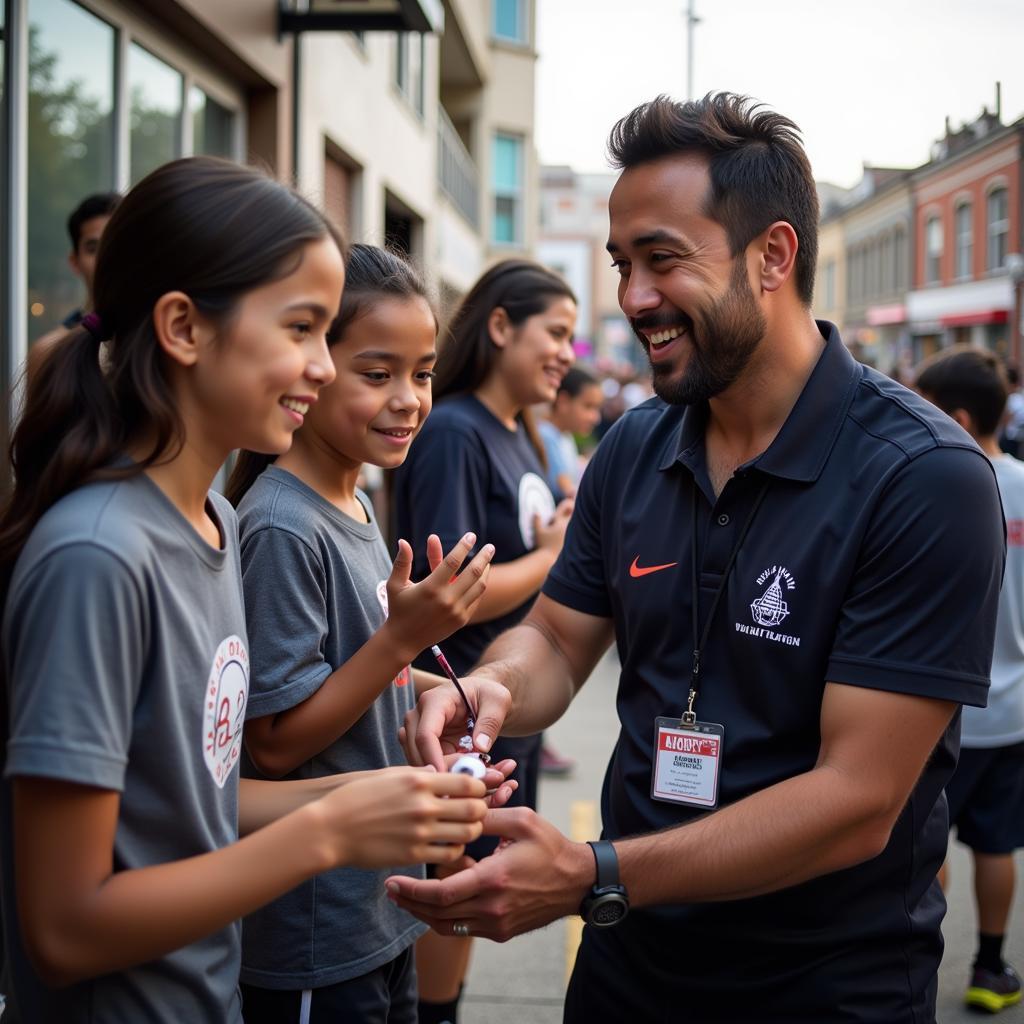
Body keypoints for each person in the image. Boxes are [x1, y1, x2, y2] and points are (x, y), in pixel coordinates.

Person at [386, 93, 1007, 1022]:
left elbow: (857, 799)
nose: (633, 298)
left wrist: (594, 872)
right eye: (621, 264)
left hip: (825, 985)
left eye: (662, 260)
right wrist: (490, 690)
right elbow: (556, 638)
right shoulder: (634, 449)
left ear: (774, 255)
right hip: (626, 970)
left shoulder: (925, 478)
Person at [0, 157, 491, 1023]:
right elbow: (64, 928)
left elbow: (201, 796)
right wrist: (331, 830)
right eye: (302, 328)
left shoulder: (215, 523)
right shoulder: (98, 557)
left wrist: (398, 801)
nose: (321, 366)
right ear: (184, 328)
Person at [224, 243, 512, 1023]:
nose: (409, 400)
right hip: (312, 924)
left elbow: (347, 671)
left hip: (379, 907)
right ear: (311, 370)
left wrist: (448, 688)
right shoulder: (283, 525)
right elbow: (275, 743)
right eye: (377, 374)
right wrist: (401, 640)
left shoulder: (352, 502)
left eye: (421, 374)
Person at [391, 260, 576, 1024]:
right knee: (450, 887)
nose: (568, 352)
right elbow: (449, 593)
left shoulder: (519, 433)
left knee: (472, 891)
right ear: (500, 326)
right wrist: (550, 557)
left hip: (501, 702)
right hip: (455, 700)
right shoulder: (457, 430)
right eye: (555, 333)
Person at [916, 346, 1024, 1014]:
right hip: (1012, 710)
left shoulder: (937, 484)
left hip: (939, 708)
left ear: (957, 417)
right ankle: (991, 965)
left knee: (925, 843)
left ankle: (916, 956)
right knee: (997, 842)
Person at [27, 192, 120, 379]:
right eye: (93, 248)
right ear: (74, 261)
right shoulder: (50, 352)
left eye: (116, 244)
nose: (105, 257)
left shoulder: (162, 339)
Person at [537, 364, 603, 503]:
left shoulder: (564, 436)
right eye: (588, 406)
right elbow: (569, 492)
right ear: (564, 401)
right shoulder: (546, 436)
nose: (595, 418)